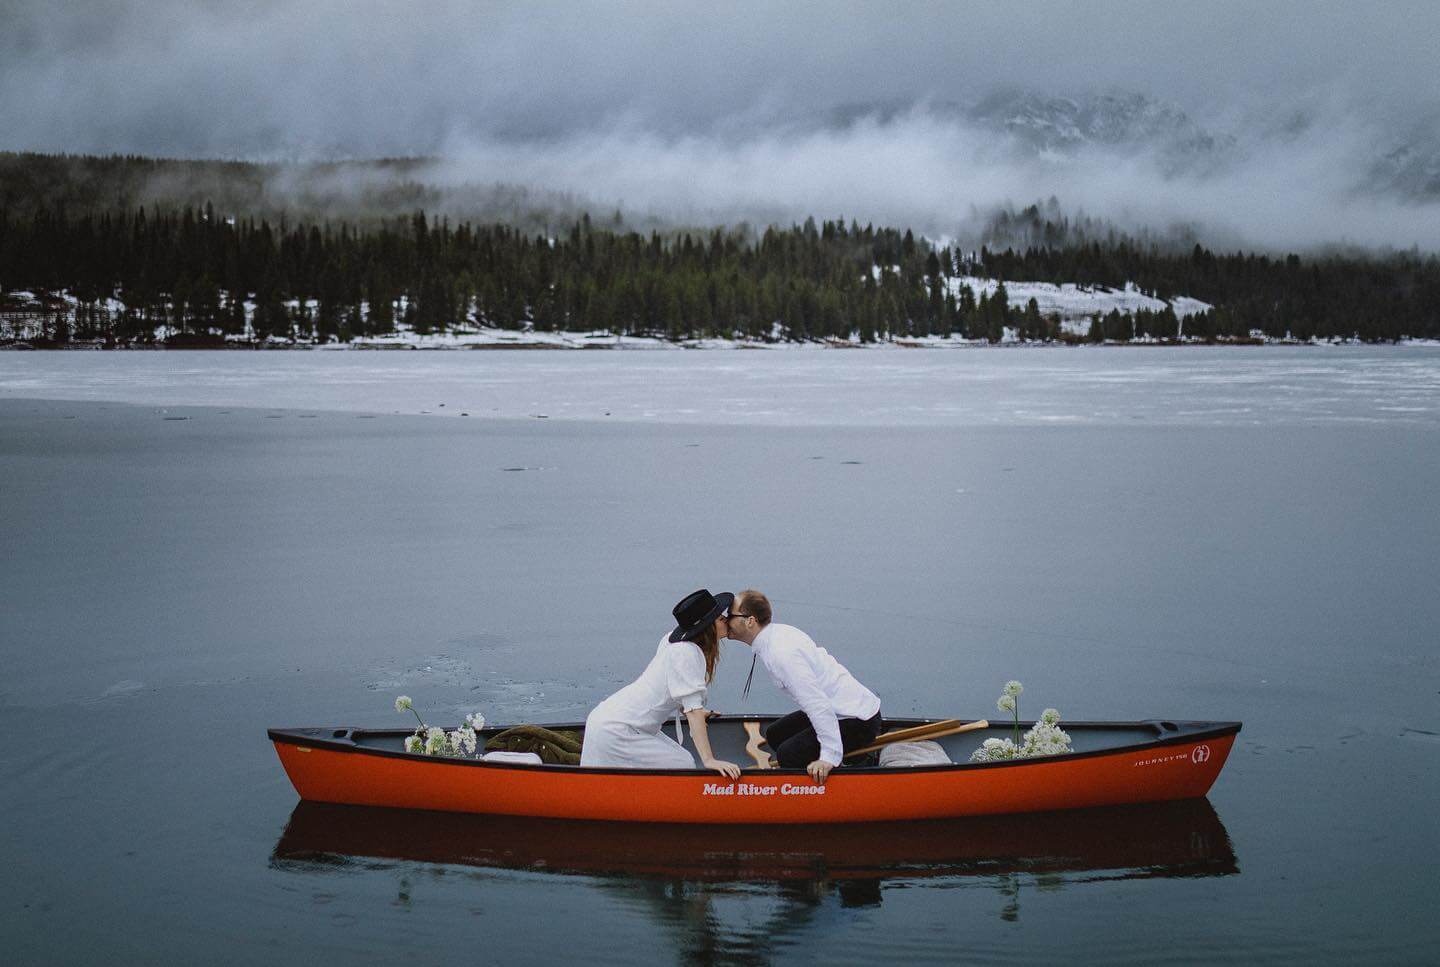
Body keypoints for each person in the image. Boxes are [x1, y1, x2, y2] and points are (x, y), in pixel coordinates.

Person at [724, 589, 882, 785]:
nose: (725, 620)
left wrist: (828, 757)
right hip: (841, 709)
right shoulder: (774, 635)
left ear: (750, 621)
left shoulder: (781, 654)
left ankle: (839, 774)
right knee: (775, 734)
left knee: (788, 754)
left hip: (859, 720)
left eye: (730, 615)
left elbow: (817, 704)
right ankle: (851, 759)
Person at [580, 589, 742, 777]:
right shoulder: (686, 653)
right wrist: (709, 760)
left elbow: (677, 691)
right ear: (707, 626)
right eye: (719, 617)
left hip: (614, 721)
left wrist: (695, 712)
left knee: (679, 760)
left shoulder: (672, 642)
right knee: (683, 763)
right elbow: (692, 710)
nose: (724, 619)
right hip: (617, 729)